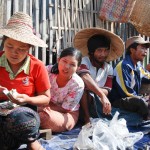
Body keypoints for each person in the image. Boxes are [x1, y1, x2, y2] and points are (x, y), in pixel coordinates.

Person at [0, 12, 51, 150]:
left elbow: (46, 98)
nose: (14, 52)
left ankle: (31, 142)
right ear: (3, 42)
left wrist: (27, 99)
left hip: (23, 113)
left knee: (23, 120)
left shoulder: (37, 66)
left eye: (21, 49)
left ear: (29, 49)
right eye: (9, 46)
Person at [73, 28, 124, 124]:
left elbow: (107, 90)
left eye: (106, 50)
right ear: (92, 51)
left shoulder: (109, 68)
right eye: (99, 50)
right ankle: (86, 118)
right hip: (80, 101)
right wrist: (100, 94)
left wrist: (96, 92)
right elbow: (85, 77)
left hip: (97, 101)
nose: (103, 54)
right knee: (84, 89)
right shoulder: (84, 61)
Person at [38, 47, 84, 132]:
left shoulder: (77, 84)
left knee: (43, 117)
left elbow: (65, 108)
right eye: (64, 61)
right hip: (43, 106)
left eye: (72, 64)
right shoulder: (47, 71)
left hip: (66, 113)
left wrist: (42, 108)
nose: (66, 67)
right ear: (58, 60)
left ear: (78, 68)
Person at [108, 36, 150, 121]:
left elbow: (148, 76)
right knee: (141, 103)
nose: (145, 52)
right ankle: (147, 120)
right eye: (142, 48)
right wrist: (144, 98)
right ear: (132, 50)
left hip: (132, 98)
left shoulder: (138, 66)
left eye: (146, 49)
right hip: (119, 100)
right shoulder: (123, 66)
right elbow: (126, 92)